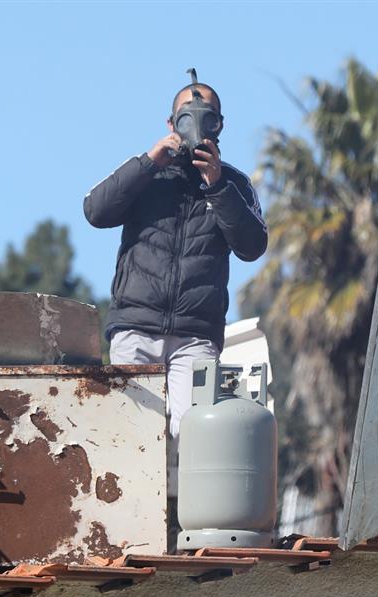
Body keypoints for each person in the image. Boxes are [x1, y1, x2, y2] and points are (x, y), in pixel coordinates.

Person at [83, 78, 267, 439]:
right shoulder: (146, 173)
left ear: (220, 125)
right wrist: (151, 161)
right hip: (136, 326)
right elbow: (95, 210)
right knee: (131, 437)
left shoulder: (234, 184)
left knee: (196, 436)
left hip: (196, 337)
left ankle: (184, 499)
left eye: (207, 117)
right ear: (170, 123)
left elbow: (252, 246)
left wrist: (215, 185)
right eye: (186, 116)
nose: (196, 124)